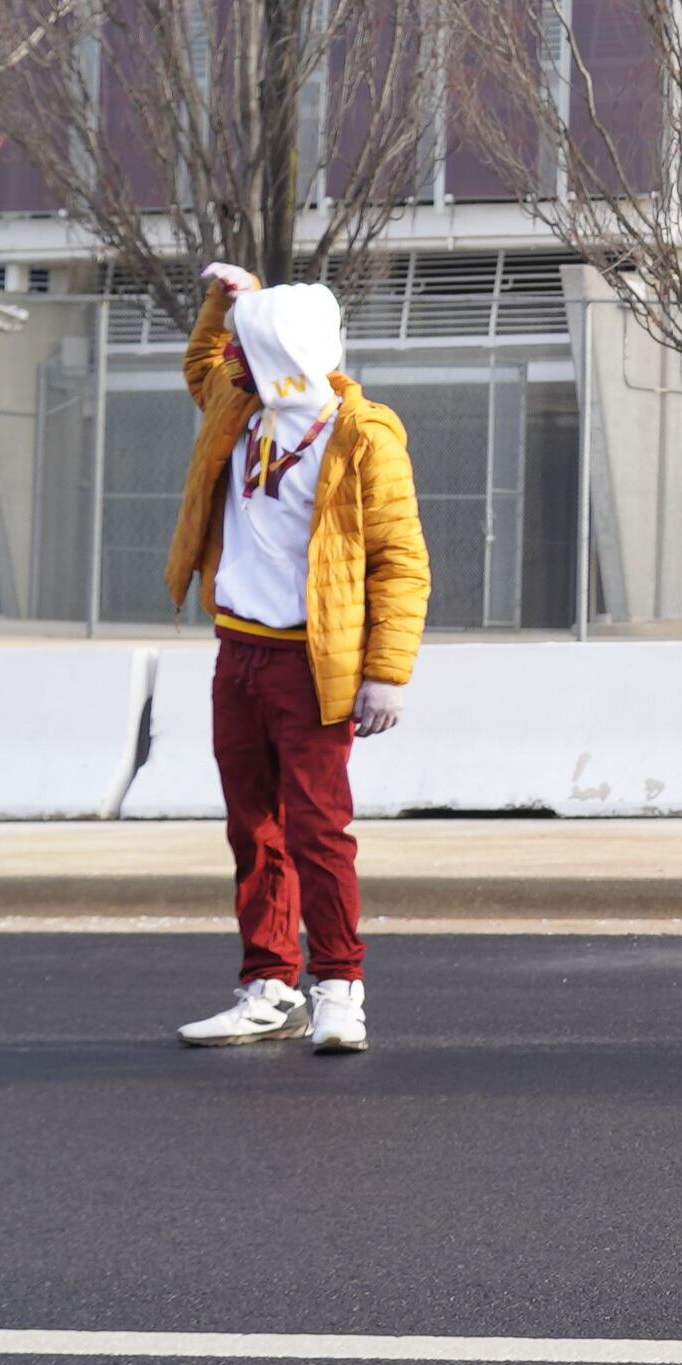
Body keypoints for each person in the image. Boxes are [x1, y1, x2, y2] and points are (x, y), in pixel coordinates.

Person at [165, 264, 427, 1054]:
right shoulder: (238, 408)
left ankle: (341, 986)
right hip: (237, 654)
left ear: (288, 352)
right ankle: (270, 985)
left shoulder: (362, 437)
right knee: (253, 827)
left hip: (311, 666)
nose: (235, 359)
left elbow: (401, 560)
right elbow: (198, 363)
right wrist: (224, 299)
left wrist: (387, 671)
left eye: (251, 344)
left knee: (318, 830)